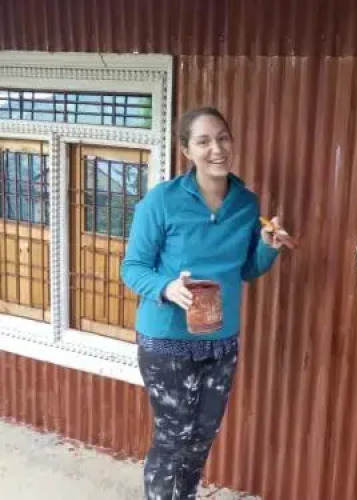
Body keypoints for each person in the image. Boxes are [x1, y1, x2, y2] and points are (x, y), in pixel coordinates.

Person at [121, 106, 292, 500]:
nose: (217, 148)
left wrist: (268, 247)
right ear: (187, 151)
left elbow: (245, 269)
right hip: (167, 340)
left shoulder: (246, 203)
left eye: (223, 138)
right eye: (203, 141)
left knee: (201, 438)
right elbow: (132, 268)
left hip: (221, 341)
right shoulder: (162, 201)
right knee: (173, 437)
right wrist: (167, 287)